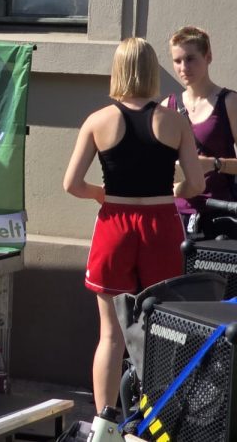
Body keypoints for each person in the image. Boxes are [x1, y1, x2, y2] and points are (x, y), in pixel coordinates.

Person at [63, 37, 204, 414]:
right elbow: (196, 184)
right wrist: (176, 189)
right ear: (152, 70)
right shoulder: (175, 121)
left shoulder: (98, 121)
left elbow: (71, 184)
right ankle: (157, 419)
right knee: (164, 332)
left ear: (118, 70)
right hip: (161, 227)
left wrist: (100, 194)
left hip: (115, 225)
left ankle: (104, 424)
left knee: (111, 336)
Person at [162, 26, 237, 234]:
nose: (184, 67)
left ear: (208, 57)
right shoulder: (168, 105)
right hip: (176, 214)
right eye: (177, 61)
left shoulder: (229, 103)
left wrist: (215, 164)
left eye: (190, 59)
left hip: (220, 214)